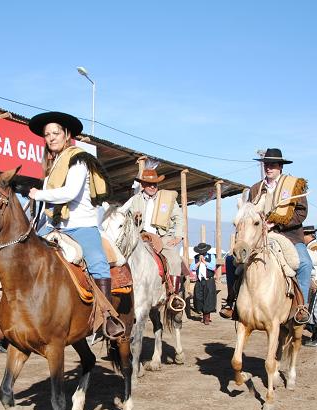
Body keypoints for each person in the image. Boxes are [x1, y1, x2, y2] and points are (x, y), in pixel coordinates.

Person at [26, 111, 123, 339]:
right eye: (47, 134)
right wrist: (33, 227)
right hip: (53, 227)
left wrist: (39, 193)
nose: (51, 138)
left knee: (98, 262)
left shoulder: (79, 159)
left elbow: (70, 192)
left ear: (67, 134)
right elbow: (49, 206)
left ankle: (107, 316)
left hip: (81, 226)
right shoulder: (52, 167)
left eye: (55, 133)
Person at [220, 148, 312, 320]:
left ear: (280, 167)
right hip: (260, 237)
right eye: (266, 165)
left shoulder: (293, 186)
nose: (269, 168)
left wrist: (277, 223)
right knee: (231, 260)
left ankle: (301, 306)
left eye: (273, 165)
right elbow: (248, 213)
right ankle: (231, 301)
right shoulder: (256, 188)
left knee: (305, 263)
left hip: (289, 235)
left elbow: (301, 213)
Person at [119, 161, 185, 292]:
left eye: (155, 184)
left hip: (163, 237)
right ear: (143, 185)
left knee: (175, 261)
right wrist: (134, 219)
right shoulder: (134, 200)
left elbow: (179, 217)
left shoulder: (167, 199)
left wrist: (178, 236)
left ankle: (174, 294)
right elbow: (124, 218)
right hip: (140, 237)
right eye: (149, 184)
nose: (152, 186)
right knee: (120, 258)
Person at [190, 242, 217, 324]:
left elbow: (213, 267)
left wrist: (204, 261)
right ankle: (204, 314)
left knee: (208, 298)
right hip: (199, 280)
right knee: (199, 297)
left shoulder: (211, 256)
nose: (201, 253)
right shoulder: (196, 257)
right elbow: (192, 268)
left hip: (209, 280)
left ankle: (207, 317)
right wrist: (199, 262)